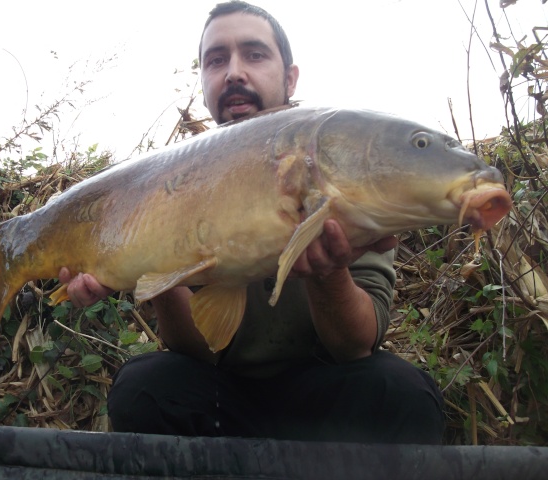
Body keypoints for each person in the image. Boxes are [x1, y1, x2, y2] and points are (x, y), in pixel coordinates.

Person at [59, 1, 445, 444]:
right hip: (225, 399)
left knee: (401, 393)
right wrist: (146, 268)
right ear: (204, 81)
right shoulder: (172, 180)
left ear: (290, 76)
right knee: (145, 387)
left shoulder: (345, 160)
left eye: (255, 54)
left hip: (325, 394)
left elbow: (355, 346)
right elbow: (196, 350)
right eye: (216, 60)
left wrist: (327, 270)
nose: (234, 72)